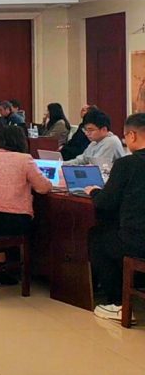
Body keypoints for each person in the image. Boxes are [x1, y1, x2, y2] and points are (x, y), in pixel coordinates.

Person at [0, 126, 52, 285]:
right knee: (43, 225)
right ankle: (26, 270)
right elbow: (43, 188)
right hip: (13, 221)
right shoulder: (24, 159)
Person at [84, 113, 145, 322]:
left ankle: (118, 303)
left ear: (132, 136)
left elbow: (105, 202)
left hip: (137, 241)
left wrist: (94, 191)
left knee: (98, 238)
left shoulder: (127, 164)